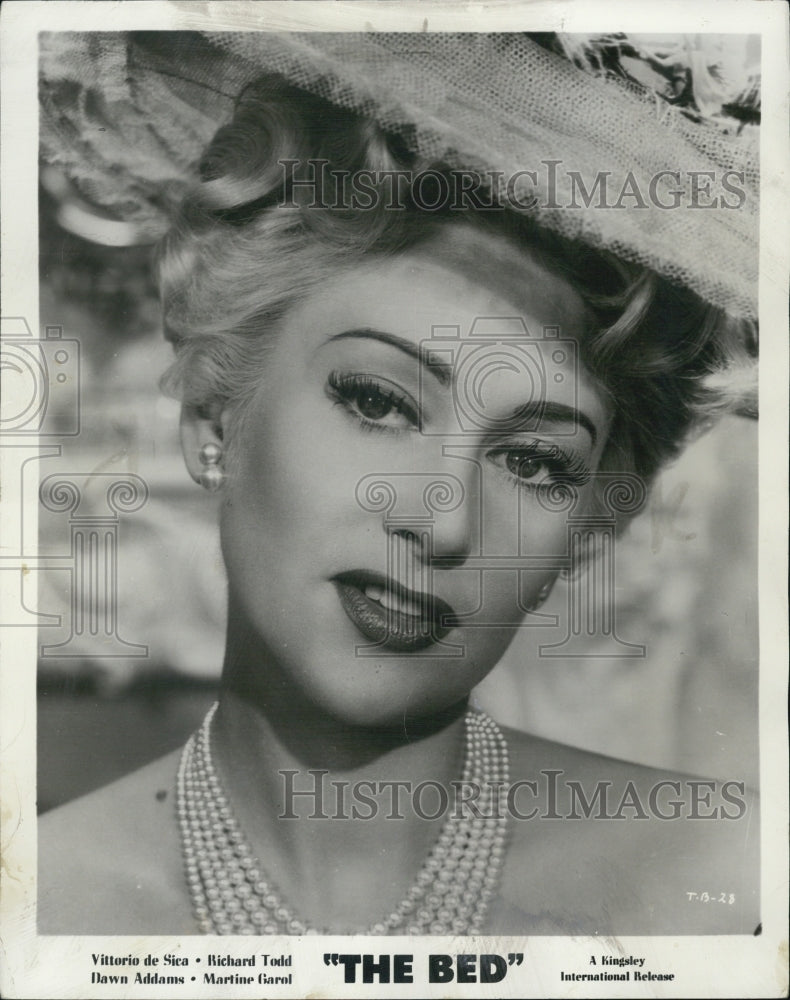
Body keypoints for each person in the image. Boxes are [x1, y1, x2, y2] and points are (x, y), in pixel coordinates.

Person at [37, 30, 759, 936]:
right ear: (216, 418)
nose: (444, 520)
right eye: (379, 402)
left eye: (533, 462)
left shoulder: (734, 890)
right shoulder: (39, 916)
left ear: (580, 538)